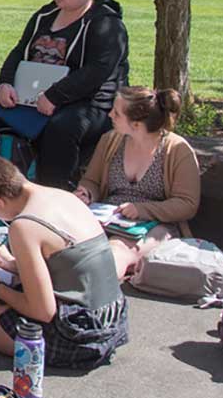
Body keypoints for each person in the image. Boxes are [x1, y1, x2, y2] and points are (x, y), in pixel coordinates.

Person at [0, 152, 129, 370]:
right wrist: (12, 264)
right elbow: (68, 265)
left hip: (79, 336)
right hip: (112, 318)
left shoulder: (25, 225)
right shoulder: (64, 197)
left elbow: (43, 311)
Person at [0, 0, 129, 188]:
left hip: (89, 105)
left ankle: (55, 193)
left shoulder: (106, 25)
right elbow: (20, 50)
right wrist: (5, 83)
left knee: (61, 129)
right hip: (34, 99)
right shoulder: (45, 15)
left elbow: (96, 72)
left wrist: (55, 96)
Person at [74, 86, 202, 276]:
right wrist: (87, 193)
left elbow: (187, 204)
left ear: (136, 124)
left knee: (116, 250)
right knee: (69, 241)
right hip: (110, 218)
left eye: (116, 113)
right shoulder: (110, 140)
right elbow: (92, 180)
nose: (109, 115)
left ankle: (98, 296)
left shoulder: (177, 150)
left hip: (154, 224)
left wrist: (141, 209)